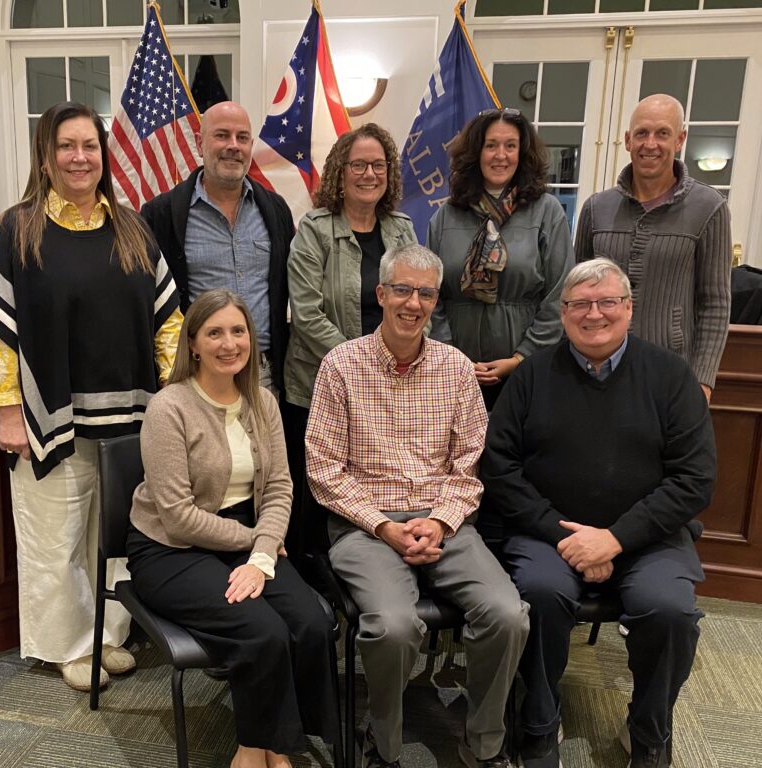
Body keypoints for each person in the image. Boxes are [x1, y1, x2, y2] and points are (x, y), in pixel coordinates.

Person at [0, 102, 181, 691]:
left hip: (132, 417)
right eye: (66, 146)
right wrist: (9, 411)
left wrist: (175, 398)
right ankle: (66, 646)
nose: (79, 157)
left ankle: (106, 637)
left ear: (103, 155)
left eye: (90, 145)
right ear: (46, 154)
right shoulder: (19, 228)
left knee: (113, 536)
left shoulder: (132, 227)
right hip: (48, 418)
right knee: (55, 535)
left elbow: (169, 322)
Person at [478, 259, 716, 768]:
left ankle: (649, 729)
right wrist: (565, 536)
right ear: (562, 313)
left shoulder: (671, 376)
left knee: (670, 609)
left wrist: (615, 539)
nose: (594, 314)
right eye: (580, 304)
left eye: (607, 301)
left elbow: (695, 479)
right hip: (548, 533)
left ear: (629, 309)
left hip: (648, 537)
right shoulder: (533, 375)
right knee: (539, 594)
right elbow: (499, 467)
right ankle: (539, 723)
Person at [307, 243, 529, 768]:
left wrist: (440, 521)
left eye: (426, 293)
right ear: (381, 294)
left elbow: (470, 465)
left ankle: (484, 745)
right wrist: (385, 527)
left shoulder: (455, 369)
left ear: (436, 300)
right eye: (402, 290)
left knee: (508, 615)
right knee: (393, 625)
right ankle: (381, 743)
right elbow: (324, 469)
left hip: (445, 524)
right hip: (364, 528)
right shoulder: (341, 365)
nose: (413, 303)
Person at [126, 290, 339, 768]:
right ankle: (252, 751)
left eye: (238, 331)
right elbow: (178, 516)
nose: (229, 343)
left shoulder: (263, 401)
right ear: (194, 344)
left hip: (248, 536)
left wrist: (262, 553)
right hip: (169, 549)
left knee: (311, 622)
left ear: (252, 339)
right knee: (261, 630)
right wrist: (258, 545)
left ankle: (276, 743)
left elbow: (282, 486)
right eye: (215, 332)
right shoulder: (169, 407)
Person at [282, 123, 417, 561]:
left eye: (378, 165)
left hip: (391, 385)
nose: (368, 174)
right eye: (358, 164)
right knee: (319, 487)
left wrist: (407, 363)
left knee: (375, 481)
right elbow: (305, 315)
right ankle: (313, 579)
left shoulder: (402, 230)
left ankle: (374, 572)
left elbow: (420, 301)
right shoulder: (315, 230)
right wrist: (359, 366)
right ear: (340, 172)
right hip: (318, 385)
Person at [575, 93, 732, 402]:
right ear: (627, 141)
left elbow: (715, 304)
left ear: (680, 140)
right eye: (642, 133)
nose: (650, 144)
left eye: (663, 133)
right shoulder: (597, 207)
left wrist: (702, 382)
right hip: (596, 369)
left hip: (671, 374)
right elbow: (576, 293)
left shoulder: (709, 208)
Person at [141, 101, 294, 395]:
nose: (233, 146)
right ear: (200, 143)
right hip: (195, 376)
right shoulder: (161, 215)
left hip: (262, 377)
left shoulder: (275, 211)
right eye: (221, 135)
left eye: (242, 138)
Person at [427, 108, 572, 412]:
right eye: (490, 145)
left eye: (510, 145)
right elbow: (430, 292)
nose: (500, 155)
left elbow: (560, 295)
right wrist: (452, 357)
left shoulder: (546, 212)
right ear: (475, 152)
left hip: (528, 373)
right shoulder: (447, 215)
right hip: (454, 374)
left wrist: (520, 358)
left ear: (523, 153)